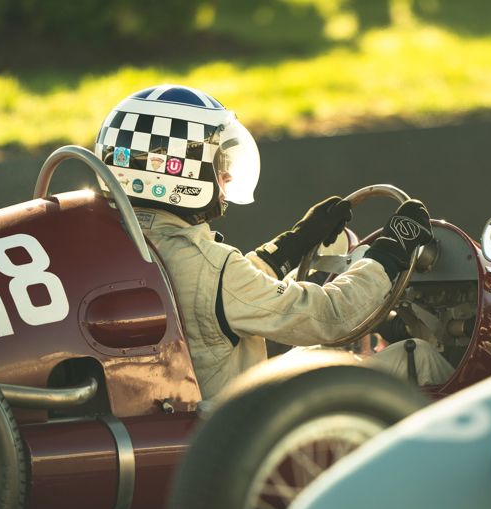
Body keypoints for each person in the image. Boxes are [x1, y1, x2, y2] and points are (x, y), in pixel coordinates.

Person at [94, 85, 454, 399]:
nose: (228, 175)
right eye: (218, 164)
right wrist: (390, 253)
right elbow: (332, 317)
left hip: (184, 411)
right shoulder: (206, 263)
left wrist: (292, 245)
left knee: (313, 356)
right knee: (418, 356)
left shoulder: (120, 242)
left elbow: (218, 293)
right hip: (235, 423)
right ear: (179, 173)